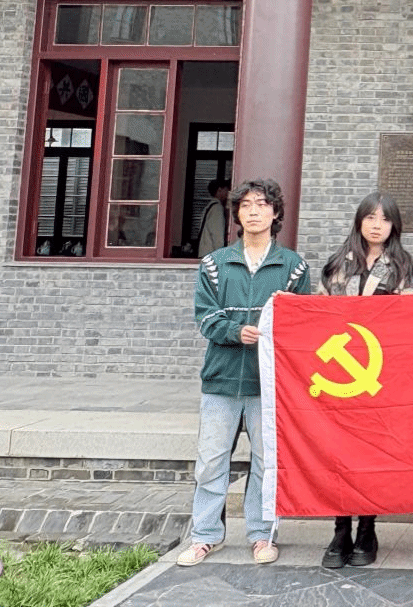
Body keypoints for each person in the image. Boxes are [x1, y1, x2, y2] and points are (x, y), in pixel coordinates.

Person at [176, 178, 312, 568]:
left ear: (276, 212)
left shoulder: (293, 267)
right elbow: (205, 317)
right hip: (220, 379)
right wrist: (235, 332)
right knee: (211, 461)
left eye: (262, 204)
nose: (254, 211)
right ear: (236, 213)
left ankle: (261, 534)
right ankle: (205, 536)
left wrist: (282, 322)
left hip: (268, 383)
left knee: (266, 462)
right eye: (246, 205)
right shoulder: (214, 264)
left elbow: (304, 322)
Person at [316, 192, 413, 569]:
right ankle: (340, 529)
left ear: (394, 226)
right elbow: (318, 314)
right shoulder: (336, 264)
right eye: (370, 217)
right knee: (339, 453)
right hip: (339, 374)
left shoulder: (405, 267)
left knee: (371, 452)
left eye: (385, 219)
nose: (377, 225)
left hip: (381, 369)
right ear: (359, 221)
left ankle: (367, 529)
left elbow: (411, 320)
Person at [196, 178, 230, 257]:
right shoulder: (217, 208)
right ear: (219, 190)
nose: (228, 193)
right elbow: (217, 235)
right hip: (212, 255)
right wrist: (221, 255)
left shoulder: (210, 206)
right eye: (226, 190)